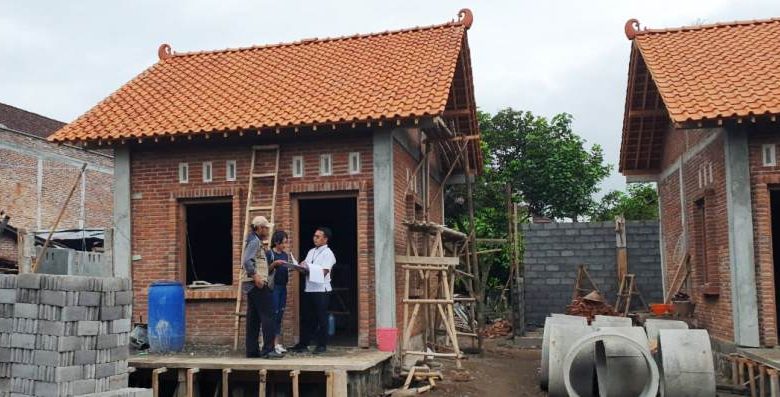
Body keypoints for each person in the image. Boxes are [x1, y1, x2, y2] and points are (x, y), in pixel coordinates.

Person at [289, 226, 336, 354]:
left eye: (318, 236)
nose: (315, 238)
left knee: (321, 317)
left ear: (325, 239)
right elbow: (305, 268)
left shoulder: (328, 253)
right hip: (309, 288)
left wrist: (308, 268)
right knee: (307, 317)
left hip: (322, 290)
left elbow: (325, 271)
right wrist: (298, 267)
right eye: (314, 236)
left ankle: (322, 345)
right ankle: (303, 344)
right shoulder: (311, 252)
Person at [242, 216, 283, 359]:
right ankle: (268, 350)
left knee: (253, 318)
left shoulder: (254, 240)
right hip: (256, 283)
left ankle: (252, 351)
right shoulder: (254, 241)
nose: (267, 230)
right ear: (259, 228)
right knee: (268, 315)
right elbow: (247, 260)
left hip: (250, 284)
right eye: (265, 227)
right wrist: (256, 276)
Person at [266, 230, 291, 355]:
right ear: (276, 242)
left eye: (286, 243)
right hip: (274, 287)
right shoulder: (269, 254)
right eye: (283, 243)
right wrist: (274, 264)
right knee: (273, 314)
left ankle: (277, 343)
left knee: (280, 315)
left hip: (283, 287)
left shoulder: (285, 255)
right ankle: (271, 344)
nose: (285, 245)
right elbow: (265, 270)